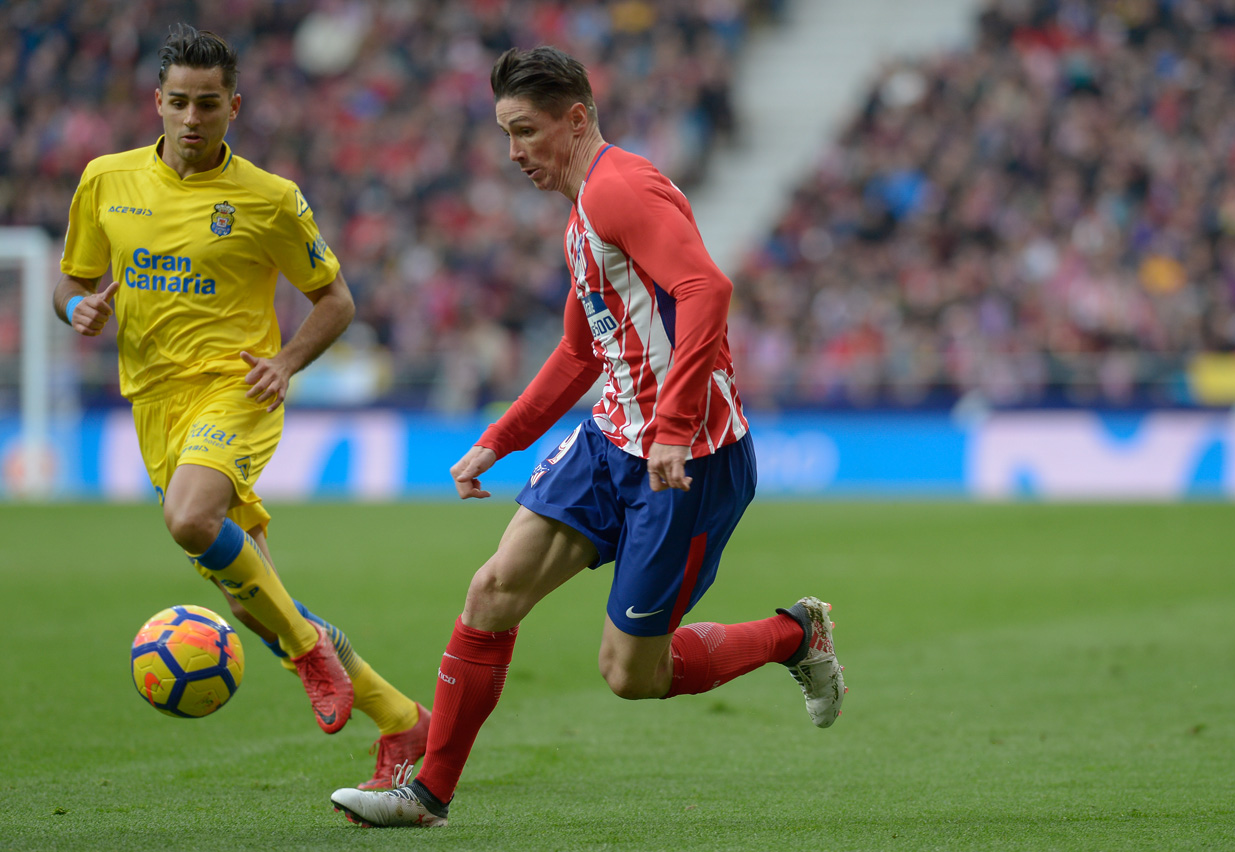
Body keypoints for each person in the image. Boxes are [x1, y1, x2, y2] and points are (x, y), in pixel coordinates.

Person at [330, 45, 846, 829]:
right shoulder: (582, 213)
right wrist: (498, 441)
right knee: (492, 591)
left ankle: (793, 635)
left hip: (689, 463)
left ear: (576, 120)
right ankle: (426, 795)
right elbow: (580, 353)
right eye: (506, 133)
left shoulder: (620, 189)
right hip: (610, 442)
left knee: (631, 674)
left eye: (526, 131)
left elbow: (708, 288)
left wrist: (673, 428)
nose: (514, 152)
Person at [54, 23, 430, 790]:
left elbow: (336, 299)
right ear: (157, 102)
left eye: (208, 104)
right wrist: (76, 310)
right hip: (154, 405)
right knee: (257, 598)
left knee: (191, 519)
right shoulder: (105, 180)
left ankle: (308, 653)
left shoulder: (269, 199)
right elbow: (72, 280)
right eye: (180, 103)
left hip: (239, 388)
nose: (192, 118)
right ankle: (400, 718)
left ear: (235, 107)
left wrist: (286, 363)